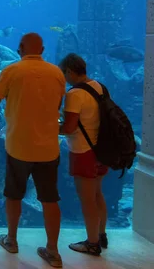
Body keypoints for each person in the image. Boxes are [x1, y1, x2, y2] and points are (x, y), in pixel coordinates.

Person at [0, 33, 66, 268]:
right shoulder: (57, 73)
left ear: (20, 48)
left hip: (19, 146)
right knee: (50, 199)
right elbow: (58, 104)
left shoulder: (12, 71)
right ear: (42, 49)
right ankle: (52, 250)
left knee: (14, 195)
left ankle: (11, 240)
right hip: (48, 148)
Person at [58, 53, 108, 256]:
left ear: (70, 71)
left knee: (87, 199)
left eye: (64, 73)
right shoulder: (100, 87)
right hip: (101, 150)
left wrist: (51, 126)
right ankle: (101, 234)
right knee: (97, 194)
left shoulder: (74, 94)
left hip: (82, 151)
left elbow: (69, 128)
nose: (64, 78)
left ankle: (92, 243)